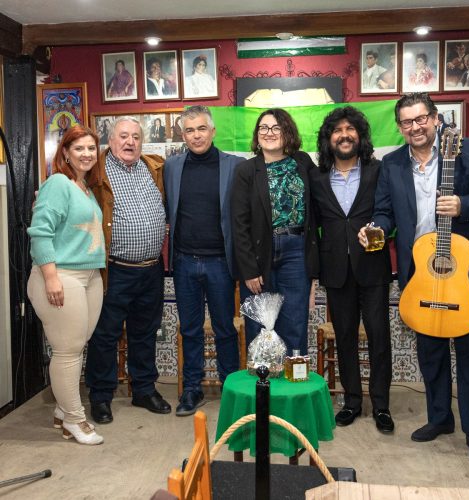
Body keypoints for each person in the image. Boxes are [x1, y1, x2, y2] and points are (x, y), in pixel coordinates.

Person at [359, 92, 469, 464]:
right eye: (406, 122)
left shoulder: (467, 150)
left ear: (436, 119)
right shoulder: (391, 164)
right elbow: (385, 212)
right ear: (400, 126)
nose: (414, 127)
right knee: (431, 352)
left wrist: (464, 204)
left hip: (465, 272)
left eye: (420, 119)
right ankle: (440, 418)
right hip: (421, 272)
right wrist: (375, 229)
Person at [310, 106, 394, 433]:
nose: (344, 135)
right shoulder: (317, 176)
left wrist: (379, 229)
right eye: (337, 130)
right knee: (344, 338)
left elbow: (388, 212)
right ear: (328, 138)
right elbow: (311, 225)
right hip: (335, 271)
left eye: (350, 129)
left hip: (372, 267)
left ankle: (382, 406)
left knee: (379, 337)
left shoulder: (377, 171)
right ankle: (353, 402)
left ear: (359, 135)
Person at [85, 116, 170, 424]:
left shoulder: (154, 168)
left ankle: (144, 390)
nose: (130, 142)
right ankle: (100, 396)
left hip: (151, 270)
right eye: (123, 136)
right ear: (110, 139)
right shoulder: (96, 172)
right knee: (104, 335)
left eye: (135, 136)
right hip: (114, 271)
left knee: (145, 333)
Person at [27, 125, 105, 446]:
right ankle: (75, 418)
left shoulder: (84, 186)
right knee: (68, 351)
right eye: (79, 148)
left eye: (91, 148)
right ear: (65, 153)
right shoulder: (58, 183)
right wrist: (51, 277)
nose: (86, 154)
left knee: (76, 347)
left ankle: (62, 411)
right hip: (62, 277)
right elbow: (41, 231)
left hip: (89, 276)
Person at [164, 106, 242, 416]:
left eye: (201, 129)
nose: (196, 135)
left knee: (224, 328)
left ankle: (231, 389)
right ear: (182, 135)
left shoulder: (235, 166)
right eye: (189, 131)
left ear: (212, 131)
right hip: (183, 262)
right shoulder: (171, 166)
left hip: (220, 263)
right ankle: (191, 390)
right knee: (190, 330)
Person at [231, 108, 319, 356]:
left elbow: (321, 203)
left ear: (287, 132)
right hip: (259, 255)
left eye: (275, 127)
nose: (268, 133)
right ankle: (263, 389)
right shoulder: (246, 170)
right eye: (263, 128)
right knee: (260, 324)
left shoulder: (302, 162)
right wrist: (249, 269)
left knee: (295, 324)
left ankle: (293, 388)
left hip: (296, 251)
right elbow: (239, 223)